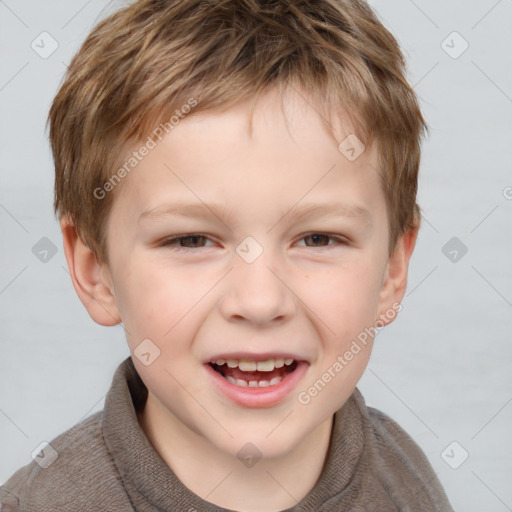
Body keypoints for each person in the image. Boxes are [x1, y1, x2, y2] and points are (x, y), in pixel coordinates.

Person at [0, 0, 455, 510]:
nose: (259, 302)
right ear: (96, 273)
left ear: (393, 270)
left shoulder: (405, 480)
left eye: (318, 239)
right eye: (191, 241)